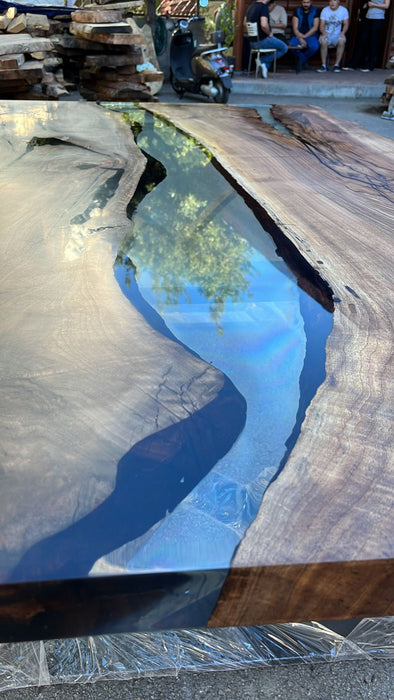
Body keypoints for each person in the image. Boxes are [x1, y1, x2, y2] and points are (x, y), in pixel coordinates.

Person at [344, 0, 391, 71]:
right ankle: (353, 64)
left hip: (378, 18)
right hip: (368, 17)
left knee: (373, 41)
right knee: (362, 40)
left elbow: (386, 6)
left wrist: (373, 5)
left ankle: (370, 65)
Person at [246, 0, 288, 78]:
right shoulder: (263, 7)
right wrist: (269, 33)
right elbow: (264, 25)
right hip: (262, 40)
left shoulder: (251, 7)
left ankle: (265, 67)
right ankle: (263, 61)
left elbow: (244, 23)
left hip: (252, 42)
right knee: (284, 48)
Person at [317, 0, 349, 72]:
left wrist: (343, 33)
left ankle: (336, 65)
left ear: (338, 2)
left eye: (335, 0)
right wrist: (324, 34)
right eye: (331, 1)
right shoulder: (325, 10)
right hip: (326, 33)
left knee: (341, 41)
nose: (332, 3)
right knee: (323, 42)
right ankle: (323, 65)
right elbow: (321, 25)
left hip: (337, 34)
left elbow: (346, 24)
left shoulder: (343, 10)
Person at [288, 0, 320, 73]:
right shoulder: (297, 11)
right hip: (298, 35)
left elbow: (315, 27)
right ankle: (303, 60)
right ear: (301, 3)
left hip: (310, 35)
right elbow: (295, 28)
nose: (306, 4)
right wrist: (300, 37)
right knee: (292, 47)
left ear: (311, 2)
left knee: (314, 47)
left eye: (307, 2)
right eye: (304, 2)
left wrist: (304, 36)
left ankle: (301, 60)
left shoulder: (315, 11)